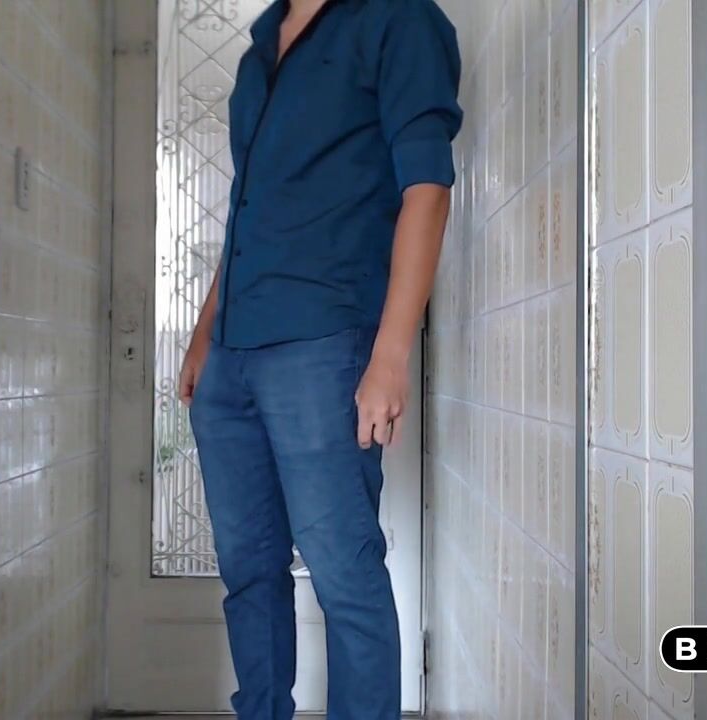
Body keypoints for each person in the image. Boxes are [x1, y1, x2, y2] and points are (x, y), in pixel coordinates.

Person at [179, 0, 462, 716]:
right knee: (249, 571)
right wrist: (205, 331)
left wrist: (391, 355)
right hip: (232, 354)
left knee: (344, 573)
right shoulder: (261, 45)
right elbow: (248, 205)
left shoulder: (398, 19)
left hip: (325, 344)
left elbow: (427, 190)